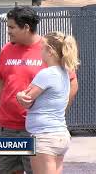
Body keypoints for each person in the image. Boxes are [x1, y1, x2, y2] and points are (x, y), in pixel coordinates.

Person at [0, 6, 78, 174]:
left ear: (26, 27)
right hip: (7, 129)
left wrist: (57, 112)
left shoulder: (49, 49)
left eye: (12, 27)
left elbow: (72, 83)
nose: (8, 31)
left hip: (36, 131)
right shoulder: (6, 49)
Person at [16, 32, 79, 174]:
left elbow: (26, 100)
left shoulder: (46, 73)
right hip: (59, 135)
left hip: (45, 137)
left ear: (50, 51)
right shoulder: (64, 72)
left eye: (42, 48)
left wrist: (19, 95)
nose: (40, 52)